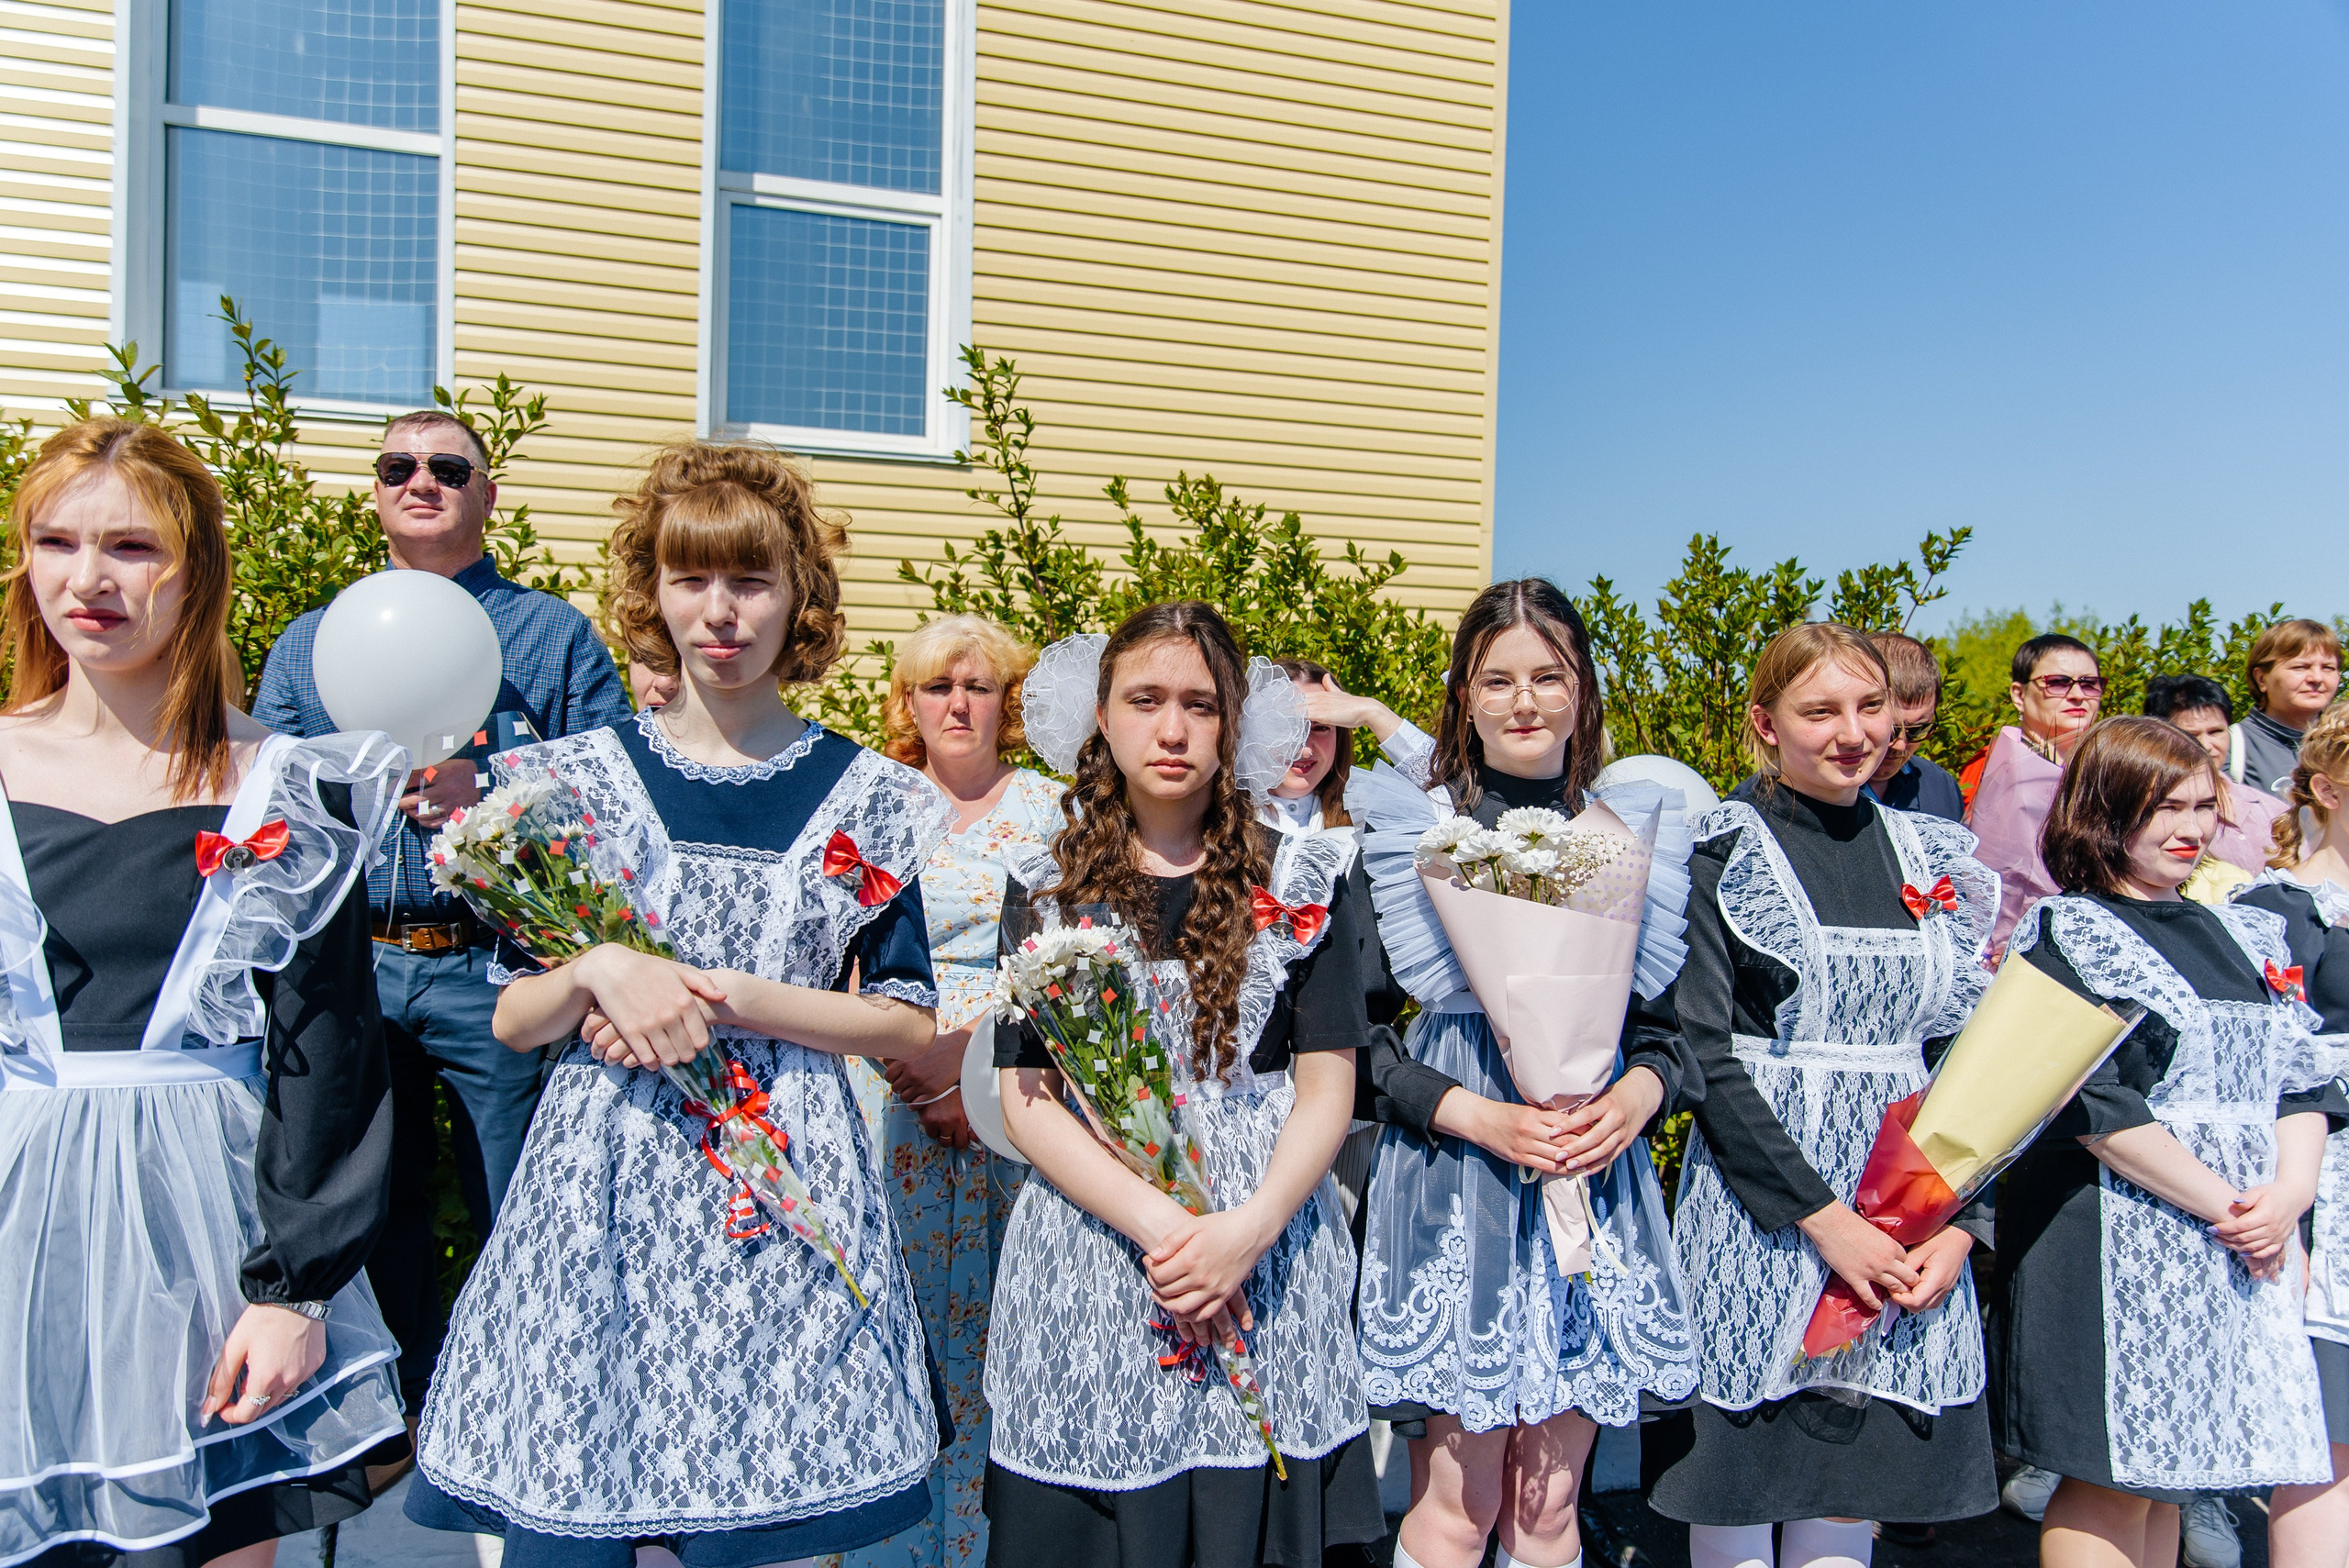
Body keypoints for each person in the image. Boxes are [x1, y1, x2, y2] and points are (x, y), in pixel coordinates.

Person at [403, 440, 953, 1564]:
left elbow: (906, 1020)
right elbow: (513, 1017)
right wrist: (599, 968)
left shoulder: (872, 796)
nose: (721, 610)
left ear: (799, 595)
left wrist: (738, 997)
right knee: (589, 1503)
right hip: (603, 1184)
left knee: (756, 1517)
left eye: (750, 580)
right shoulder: (570, 779)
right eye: (690, 577)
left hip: (786, 1186)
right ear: (651, 591)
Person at [0, 417, 406, 1566]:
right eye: (57, 541)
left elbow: (331, 1052)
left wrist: (295, 1291)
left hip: (206, 1239)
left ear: (197, 571)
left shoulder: (286, 786)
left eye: (132, 546)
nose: (88, 578)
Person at [252, 407, 631, 1456]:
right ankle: (399, 1417)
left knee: (522, 1201)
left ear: (487, 495)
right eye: (398, 466)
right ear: (375, 491)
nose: (421, 481)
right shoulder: (315, 640)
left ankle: (533, 1415)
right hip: (355, 963)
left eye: (449, 468)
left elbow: (614, 787)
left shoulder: (551, 635)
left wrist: (495, 780)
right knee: (368, 1208)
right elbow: (266, 797)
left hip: (493, 967)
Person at [982, 603, 1384, 1568]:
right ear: (1102, 717)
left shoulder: (1304, 877)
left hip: (1266, 1253)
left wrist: (1244, 1232)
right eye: (1145, 700)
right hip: (1097, 1250)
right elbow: (1026, 1097)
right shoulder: (1045, 884)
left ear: (1234, 722)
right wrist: (1166, 1228)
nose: (1172, 730)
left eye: (1200, 704)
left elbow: (1329, 1086)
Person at [1349, 579, 1700, 1568]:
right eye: (1496, 679)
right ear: (1463, 695)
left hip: (1591, 1164)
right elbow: (1353, 1039)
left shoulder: (1626, 837)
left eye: (1549, 676)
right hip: (1457, 1172)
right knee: (1458, 1508)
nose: (1524, 701)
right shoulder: (1415, 832)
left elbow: (1673, 1032)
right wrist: (1471, 1113)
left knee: (1549, 1509)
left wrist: (1635, 1098)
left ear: (1583, 688)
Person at [1653, 622, 2001, 1568]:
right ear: (1766, 723)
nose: (1854, 732)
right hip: (1767, 1208)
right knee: (1742, 1486)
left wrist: (1961, 1224)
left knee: (1850, 1497)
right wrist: (1825, 1219)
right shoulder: (1722, 854)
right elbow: (1704, 1054)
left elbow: (1968, 1054)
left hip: (1909, 1210)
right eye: (1821, 710)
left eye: (1870, 706)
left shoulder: (1928, 854)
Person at [1990, 717, 2335, 1568]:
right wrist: (2234, 1207)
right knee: (2110, 1475)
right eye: (2164, 808)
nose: (2191, 828)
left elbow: (2300, 1078)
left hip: (2234, 1237)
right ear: (2105, 810)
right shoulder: (2070, 928)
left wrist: (2289, 1196)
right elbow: (2090, 1099)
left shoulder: (2241, 931)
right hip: (2109, 1232)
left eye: (2203, 806)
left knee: (2171, 1475)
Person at [841, 614, 1055, 1568]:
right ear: (908, 701)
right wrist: (915, 1069)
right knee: (895, 1330)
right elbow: (837, 953)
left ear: (1008, 702)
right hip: (889, 1095)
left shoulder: (1053, 810)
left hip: (1018, 1094)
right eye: (938, 686)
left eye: (978, 686)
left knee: (1008, 1337)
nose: (958, 704)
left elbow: (1074, 960)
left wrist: (975, 1072)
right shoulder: (872, 803)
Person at [2234, 704, 2349, 1568]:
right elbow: (2265, 1070)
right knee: (2329, 1446)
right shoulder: (2278, 909)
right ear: (2327, 789)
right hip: (2328, 1183)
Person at [1967, 633, 2105, 961]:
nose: (2077, 695)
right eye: (2058, 683)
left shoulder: (2101, 768)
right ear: (2019, 695)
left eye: (2089, 684)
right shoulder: (1992, 767)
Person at [2144, 673, 2289, 903]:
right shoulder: (2147, 814)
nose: (2207, 745)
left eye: (2216, 732)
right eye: (2191, 735)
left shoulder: (2271, 809)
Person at [2232, 620, 2343, 795]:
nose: (2317, 678)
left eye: (2328, 668)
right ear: (2261, 678)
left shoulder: (2343, 744)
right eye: (2300, 667)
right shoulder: (2229, 747)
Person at [1865, 632, 1964, 821]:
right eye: (1890, 731)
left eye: (1917, 730)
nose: (1900, 745)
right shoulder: (1815, 792)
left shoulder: (1942, 787)